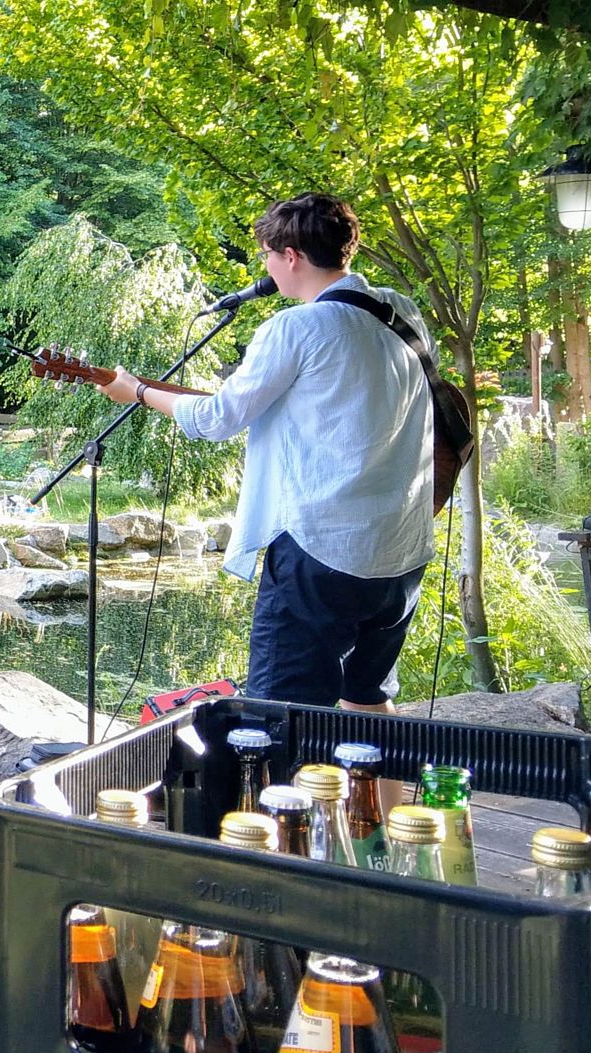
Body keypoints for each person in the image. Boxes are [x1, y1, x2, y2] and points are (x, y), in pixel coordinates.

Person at [95, 192, 434, 714]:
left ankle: (293, 799)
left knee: (283, 717)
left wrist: (136, 392)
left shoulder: (295, 328)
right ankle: (391, 803)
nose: (266, 267)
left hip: (320, 550)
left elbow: (216, 420)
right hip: (398, 552)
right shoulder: (401, 312)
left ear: (291, 256)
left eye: (267, 256)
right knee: (367, 700)